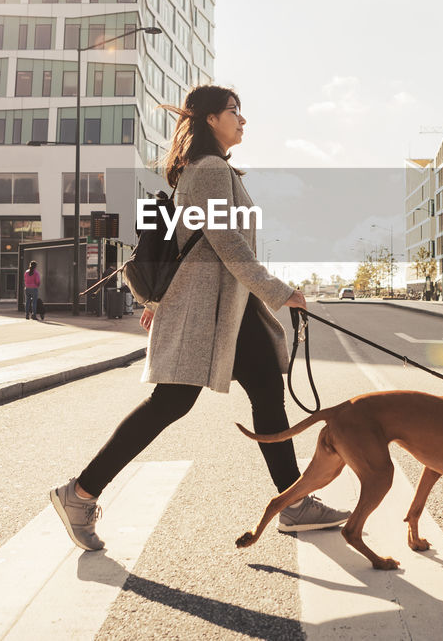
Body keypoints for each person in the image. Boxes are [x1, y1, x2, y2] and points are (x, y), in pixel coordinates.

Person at [50, 85, 349, 551]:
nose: (243, 121)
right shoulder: (209, 170)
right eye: (235, 112)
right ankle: (80, 493)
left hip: (225, 307)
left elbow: (180, 240)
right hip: (207, 309)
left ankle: (292, 503)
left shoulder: (212, 170)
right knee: (172, 403)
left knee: (268, 391)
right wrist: (278, 291)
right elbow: (226, 242)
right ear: (211, 119)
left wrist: (156, 302)